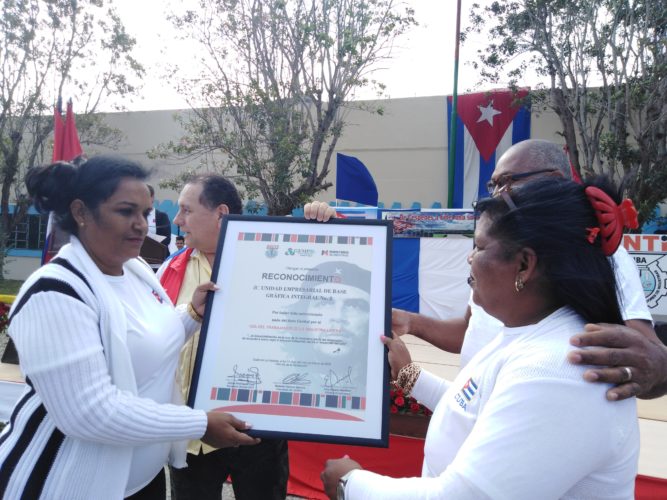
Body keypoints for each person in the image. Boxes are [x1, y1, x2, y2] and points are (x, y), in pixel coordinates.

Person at [322, 177, 640, 499]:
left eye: (479, 246)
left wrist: (350, 483)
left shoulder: (560, 369)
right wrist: (409, 376)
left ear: (524, 265)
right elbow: (475, 404)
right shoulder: (525, 333)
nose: (470, 258)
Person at [305, 139, 667, 401]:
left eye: (509, 181)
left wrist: (656, 367)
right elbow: (470, 329)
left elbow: (646, 354)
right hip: (477, 409)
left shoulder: (595, 253)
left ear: (555, 178)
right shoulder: (502, 248)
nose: (497, 193)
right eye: (494, 184)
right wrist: (410, 322)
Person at [0, 156, 259, 499]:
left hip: (141, 484)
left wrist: (191, 315)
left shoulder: (135, 270)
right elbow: (90, 413)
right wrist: (199, 424)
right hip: (67, 484)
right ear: (81, 212)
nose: (141, 225)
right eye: (126, 211)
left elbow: (149, 342)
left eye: (145, 213)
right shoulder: (54, 291)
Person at [158, 175, 289, 500]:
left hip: (257, 429)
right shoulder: (170, 269)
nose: (177, 220)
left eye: (186, 210)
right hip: (192, 432)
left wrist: (324, 224)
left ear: (220, 213)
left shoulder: (275, 261)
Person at [147, 184, 172, 248]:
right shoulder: (135, 216)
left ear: (152, 197)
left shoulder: (162, 216)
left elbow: (167, 239)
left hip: (157, 254)